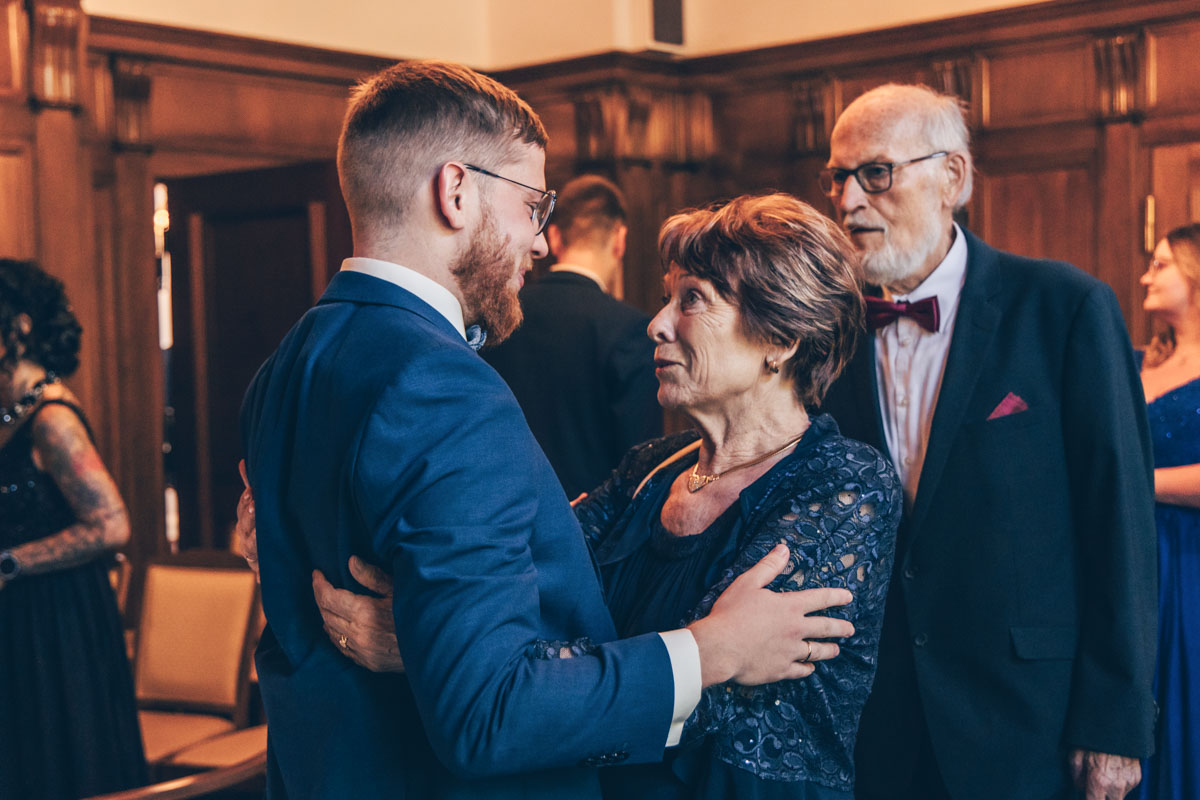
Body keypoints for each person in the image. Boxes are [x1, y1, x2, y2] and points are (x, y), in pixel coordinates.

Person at [239, 60, 855, 800]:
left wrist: (434, 639)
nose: (541, 241)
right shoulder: (442, 387)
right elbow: (488, 711)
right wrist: (708, 651)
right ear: (456, 191)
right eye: (533, 206)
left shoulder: (287, 364)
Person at [815, 83, 1157, 800]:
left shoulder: (1065, 308)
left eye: (875, 173)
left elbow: (1119, 524)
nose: (848, 201)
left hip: (1026, 716)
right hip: (870, 724)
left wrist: (1114, 723)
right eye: (837, 179)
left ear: (954, 178)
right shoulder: (826, 331)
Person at [0, 259, 146, 799]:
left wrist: (12, 562)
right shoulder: (11, 411)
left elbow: (112, 525)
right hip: (19, 617)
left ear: (18, 326)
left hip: (56, 621)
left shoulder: (52, 419)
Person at [483, 174, 662, 499]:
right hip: (590, 533)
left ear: (553, 235)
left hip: (502, 511)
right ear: (620, 240)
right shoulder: (632, 329)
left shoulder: (499, 314)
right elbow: (641, 462)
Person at [1136, 223, 1200, 800]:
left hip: (1189, 559)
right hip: (1131, 551)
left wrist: (1131, 483)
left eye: (1160, 264)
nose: (1145, 276)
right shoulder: (1135, 362)